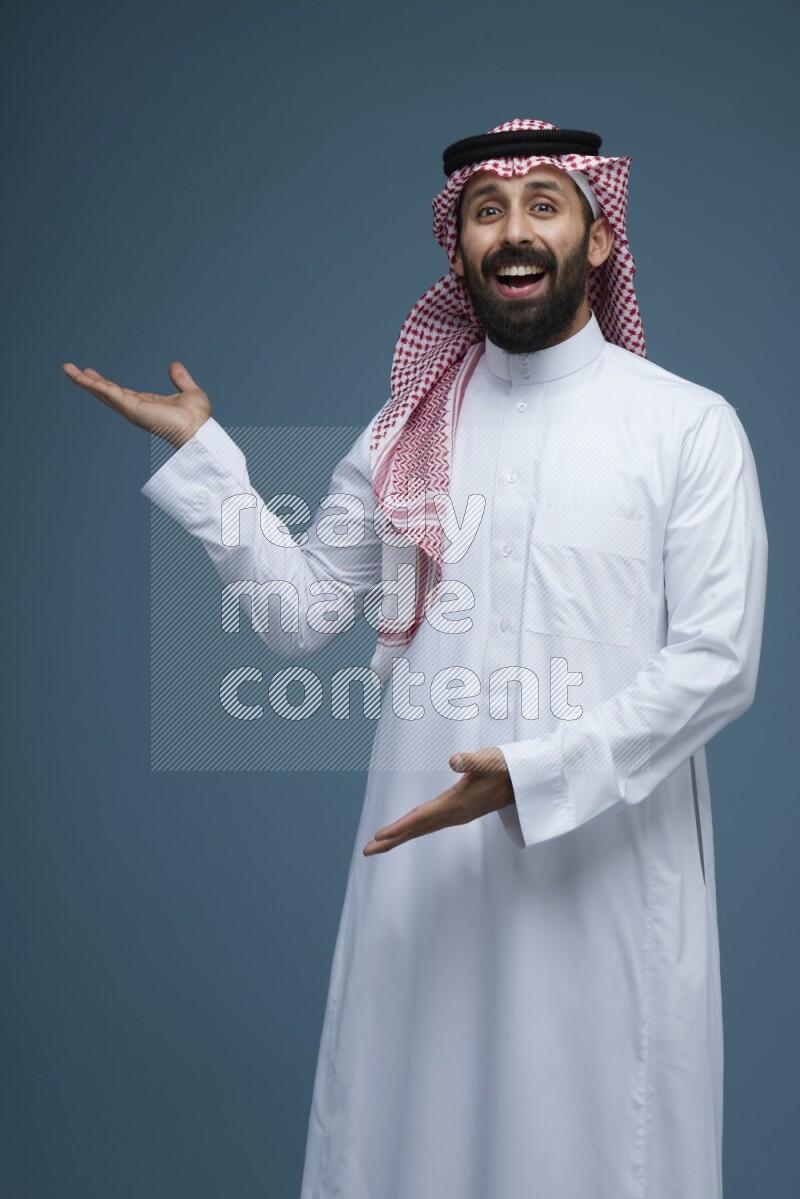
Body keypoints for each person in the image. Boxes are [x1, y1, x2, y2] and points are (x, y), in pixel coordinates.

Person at [62, 117, 768, 1198]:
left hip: (607, 869)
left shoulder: (684, 428)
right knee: (412, 1145)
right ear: (456, 250)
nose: (513, 231)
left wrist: (529, 775)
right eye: (487, 211)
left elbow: (717, 660)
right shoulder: (402, 433)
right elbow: (301, 615)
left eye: (544, 204)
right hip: (425, 872)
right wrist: (208, 465)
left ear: (598, 239)